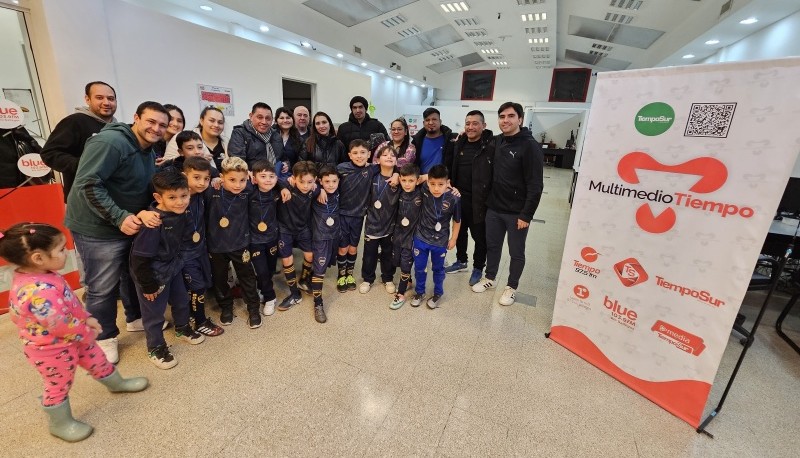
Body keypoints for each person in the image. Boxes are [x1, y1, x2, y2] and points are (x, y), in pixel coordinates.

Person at [0, 222, 148, 442]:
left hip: (76, 337)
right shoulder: (36, 292)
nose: (66, 253)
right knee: (58, 384)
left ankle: (116, 383)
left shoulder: (47, 274)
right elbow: (59, 325)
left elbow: (68, 300)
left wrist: (85, 317)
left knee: (98, 360)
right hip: (51, 350)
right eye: (60, 250)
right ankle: (59, 423)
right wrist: (86, 328)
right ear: (38, 258)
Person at [64, 100, 168, 364]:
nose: (156, 128)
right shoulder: (111, 143)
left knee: (128, 274)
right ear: (136, 118)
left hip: (128, 222)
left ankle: (133, 318)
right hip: (97, 227)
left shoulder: (147, 148)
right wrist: (120, 217)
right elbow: (88, 185)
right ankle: (103, 338)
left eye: (162, 125)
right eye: (151, 121)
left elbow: (139, 185)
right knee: (102, 287)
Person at [130, 170, 205, 369]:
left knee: (181, 300)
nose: (180, 202)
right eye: (172, 197)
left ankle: (182, 328)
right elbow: (140, 259)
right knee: (154, 314)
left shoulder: (180, 213)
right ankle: (155, 347)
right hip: (152, 275)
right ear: (158, 197)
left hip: (173, 267)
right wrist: (148, 285)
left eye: (183, 196)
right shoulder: (153, 223)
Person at [472, 102, 544, 306]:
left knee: (516, 252)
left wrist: (526, 214)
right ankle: (490, 278)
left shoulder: (530, 146)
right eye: (502, 116)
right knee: (493, 246)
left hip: (517, 213)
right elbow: (479, 140)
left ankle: (512, 287)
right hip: (494, 208)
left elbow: (536, 184)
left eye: (511, 116)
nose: (506, 120)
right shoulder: (497, 141)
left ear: (520, 119)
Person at [205, 156, 262, 328]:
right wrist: (213, 177)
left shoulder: (248, 191)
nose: (237, 184)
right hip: (217, 246)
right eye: (232, 180)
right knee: (220, 279)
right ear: (222, 177)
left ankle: (253, 309)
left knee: (247, 277)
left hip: (240, 244)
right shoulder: (211, 191)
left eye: (242, 180)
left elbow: (270, 182)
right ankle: (226, 307)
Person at [334, 139, 397, 292]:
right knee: (343, 248)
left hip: (359, 216)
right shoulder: (341, 168)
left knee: (353, 248)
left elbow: (390, 165)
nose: (359, 156)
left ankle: (350, 275)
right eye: (355, 153)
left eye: (363, 153)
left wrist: (396, 174)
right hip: (342, 214)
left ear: (369, 155)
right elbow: (327, 178)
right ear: (349, 155)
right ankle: (341, 276)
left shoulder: (371, 170)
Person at [41, 81, 117, 202]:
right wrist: (83, 165)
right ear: (87, 99)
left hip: (112, 199)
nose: (106, 102)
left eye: (111, 98)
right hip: (82, 201)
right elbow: (49, 153)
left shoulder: (118, 128)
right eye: (99, 98)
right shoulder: (74, 122)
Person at [444, 110, 494, 286]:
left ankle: (478, 267)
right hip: (459, 198)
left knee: (479, 237)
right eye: (468, 123)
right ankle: (461, 261)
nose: (471, 127)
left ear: (484, 125)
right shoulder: (460, 143)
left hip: (479, 201)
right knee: (459, 232)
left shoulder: (490, 145)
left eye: (475, 123)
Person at [179, 156, 223, 336]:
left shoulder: (202, 194)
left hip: (201, 249)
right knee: (196, 287)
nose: (202, 182)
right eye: (196, 177)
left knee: (203, 284)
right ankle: (200, 321)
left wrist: (216, 178)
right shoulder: (178, 198)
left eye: (206, 178)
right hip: (184, 253)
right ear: (184, 176)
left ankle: (193, 315)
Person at [410, 164, 461, 309]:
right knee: (420, 267)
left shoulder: (454, 198)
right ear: (428, 183)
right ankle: (420, 292)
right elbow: (415, 178)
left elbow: (457, 221)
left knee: (438, 268)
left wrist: (454, 239)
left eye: (441, 184)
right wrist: (427, 178)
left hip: (440, 241)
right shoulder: (425, 189)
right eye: (432, 184)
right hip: (421, 237)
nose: (436, 188)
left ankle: (438, 292)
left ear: (448, 183)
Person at [276, 161, 317, 311]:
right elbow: (275, 179)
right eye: (301, 181)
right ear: (294, 178)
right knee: (287, 259)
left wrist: (322, 191)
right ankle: (294, 294)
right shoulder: (286, 183)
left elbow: (321, 188)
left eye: (309, 182)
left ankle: (304, 280)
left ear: (315, 180)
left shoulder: (314, 189)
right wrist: (284, 186)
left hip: (303, 228)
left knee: (310, 255)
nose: (305, 185)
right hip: (284, 228)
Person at [359, 145, 400, 295]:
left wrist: (397, 175)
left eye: (392, 155)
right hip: (372, 224)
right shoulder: (372, 176)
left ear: (396, 161)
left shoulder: (400, 179)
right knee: (369, 255)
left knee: (388, 253)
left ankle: (388, 278)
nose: (389, 157)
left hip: (390, 224)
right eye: (385, 155)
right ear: (377, 159)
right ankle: (367, 279)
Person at [309, 165, 342, 323]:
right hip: (320, 238)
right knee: (320, 271)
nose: (330, 184)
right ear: (320, 181)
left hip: (334, 236)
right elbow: (299, 183)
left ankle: (309, 279)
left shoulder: (339, 193)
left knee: (324, 266)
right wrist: (317, 188)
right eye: (326, 181)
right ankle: (318, 304)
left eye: (334, 181)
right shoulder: (316, 192)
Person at [248, 160, 281, 317]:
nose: (268, 180)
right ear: (254, 179)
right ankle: (270, 297)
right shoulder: (249, 192)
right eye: (263, 176)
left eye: (271, 176)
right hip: (255, 240)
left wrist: (285, 186)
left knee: (270, 269)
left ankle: (263, 288)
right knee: (261, 270)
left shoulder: (278, 192)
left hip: (272, 238)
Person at [390, 164, 423, 310]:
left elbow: (434, 179)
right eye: (404, 180)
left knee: (405, 263)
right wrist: (396, 175)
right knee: (396, 260)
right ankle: (408, 280)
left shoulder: (422, 193)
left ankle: (401, 292)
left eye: (411, 181)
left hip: (411, 237)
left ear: (417, 180)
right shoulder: (398, 192)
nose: (407, 184)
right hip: (397, 234)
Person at [228, 102, 278, 169]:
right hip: (251, 176)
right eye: (260, 117)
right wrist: (245, 171)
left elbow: (283, 157)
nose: (264, 122)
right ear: (251, 116)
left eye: (268, 118)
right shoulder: (240, 133)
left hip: (274, 175)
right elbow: (237, 161)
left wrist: (286, 163)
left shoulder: (275, 135)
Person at [412, 107, 455, 182]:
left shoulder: (451, 139)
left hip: (443, 185)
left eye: (434, 119)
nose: (431, 122)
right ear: (423, 123)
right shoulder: (416, 142)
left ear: (440, 121)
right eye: (427, 120)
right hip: (422, 185)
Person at [0, 124, 48, 189]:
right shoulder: (12, 124)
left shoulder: (13, 123)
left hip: (21, 181)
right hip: (16, 181)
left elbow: (31, 147)